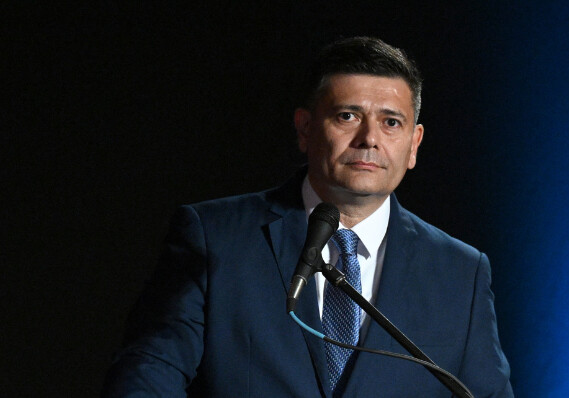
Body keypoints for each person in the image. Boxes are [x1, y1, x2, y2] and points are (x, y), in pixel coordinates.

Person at [103, 36, 513, 398]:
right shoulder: (215, 237)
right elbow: (148, 373)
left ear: (413, 144)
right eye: (347, 116)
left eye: (391, 122)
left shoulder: (461, 272)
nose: (369, 138)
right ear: (304, 128)